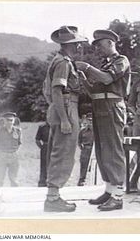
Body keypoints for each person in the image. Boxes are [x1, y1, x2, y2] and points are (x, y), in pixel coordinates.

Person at [75, 29, 131, 211]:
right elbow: (94, 92)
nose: (98, 49)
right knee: (101, 150)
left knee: (114, 150)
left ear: (110, 42)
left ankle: (118, 195)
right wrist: (84, 79)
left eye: (99, 44)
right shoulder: (105, 64)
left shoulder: (121, 60)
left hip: (112, 107)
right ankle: (109, 189)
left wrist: (88, 69)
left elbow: (107, 79)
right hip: (99, 107)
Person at [43, 26, 88, 212]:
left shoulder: (62, 60)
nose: (80, 47)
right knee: (63, 153)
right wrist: (64, 118)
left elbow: (49, 91)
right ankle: (53, 199)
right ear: (72, 44)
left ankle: (53, 196)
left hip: (64, 107)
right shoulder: (63, 62)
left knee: (60, 152)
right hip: (67, 108)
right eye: (78, 43)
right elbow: (56, 90)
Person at [0, 112, 21, 188]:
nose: (10, 122)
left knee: (14, 179)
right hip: (2, 155)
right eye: (7, 120)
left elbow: (19, 143)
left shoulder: (18, 131)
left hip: (14, 155)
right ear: (4, 121)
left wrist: (15, 153)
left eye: (11, 120)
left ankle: (14, 196)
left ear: (14, 121)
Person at [77, 113, 94, 186]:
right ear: (86, 121)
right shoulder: (83, 131)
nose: (90, 122)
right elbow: (79, 141)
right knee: (84, 164)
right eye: (88, 120)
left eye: (91, 120)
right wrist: (83, 148)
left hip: (94, 149)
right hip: (85, 149)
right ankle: (82, 180)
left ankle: (94, 181)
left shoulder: (97, 131)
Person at [35, 122, 50, 187]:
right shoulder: (42, 127)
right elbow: (37, 139)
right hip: (45, 147)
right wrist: (43, 147)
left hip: (56, 147)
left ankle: (53, 182)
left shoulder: (57, 126)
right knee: (44, 165)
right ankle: (42, 182)